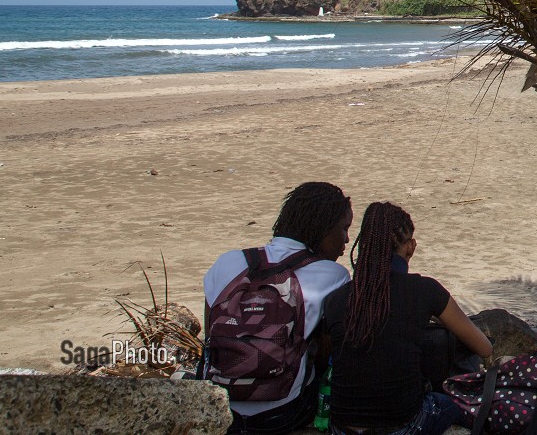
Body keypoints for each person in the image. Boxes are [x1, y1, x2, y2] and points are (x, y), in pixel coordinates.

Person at [323, 201, 493, 435]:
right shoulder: (425, 290)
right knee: (454, 404)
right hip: (405, 425)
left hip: (341, 427)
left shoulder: (335, 299)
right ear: (410, 247)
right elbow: (484, 348)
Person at [204, 182, 354, 435]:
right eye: (343, 229)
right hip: (282, 413)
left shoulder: (228, 261)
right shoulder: (334, 275)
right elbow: (328, 349)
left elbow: (210, 333)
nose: (347, 240)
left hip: (219, 405)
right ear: (324, 228)